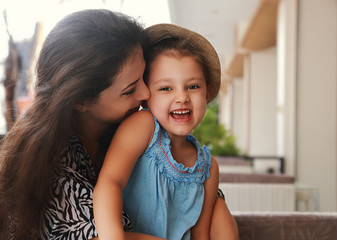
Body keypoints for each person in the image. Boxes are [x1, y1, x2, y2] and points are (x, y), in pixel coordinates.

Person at [0, 9, 237, 240]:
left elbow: (191, 205)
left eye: (144, 78)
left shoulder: (168, 145)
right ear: (82, 100)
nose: (146, 94)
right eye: (130, 89)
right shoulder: (56, 168)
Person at [93, 24, 238, 240]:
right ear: (146, 94)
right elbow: (110, 182)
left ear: (207, 93)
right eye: (165, 88)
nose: (182, 97)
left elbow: (200, 234)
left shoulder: (208, 167)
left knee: (219, 211)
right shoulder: (143, 126)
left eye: (193, 86)